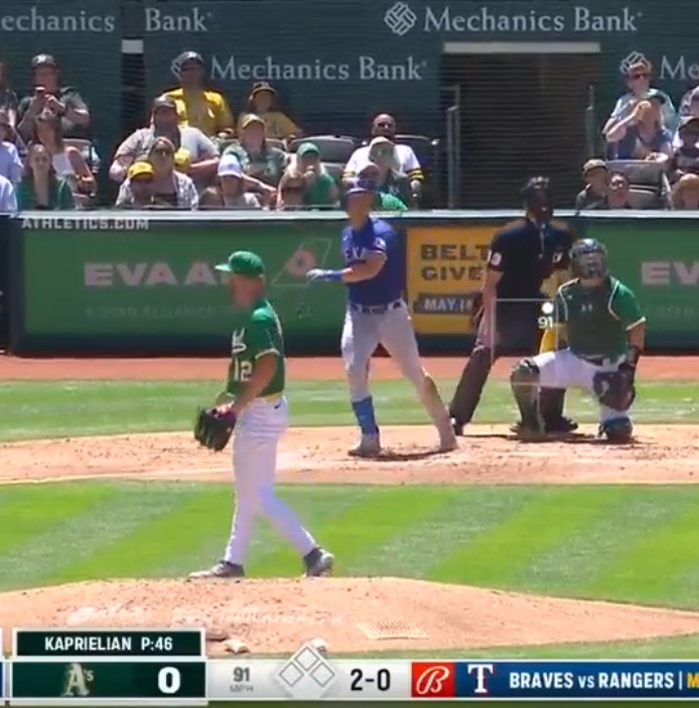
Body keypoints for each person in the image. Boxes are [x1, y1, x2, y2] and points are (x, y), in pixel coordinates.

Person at [186, 250, 336, 580]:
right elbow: (249, 367)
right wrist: (230, 398)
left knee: (257, 494)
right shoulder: (252, 315)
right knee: (251, 491)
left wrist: (238, 407)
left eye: (233, 277)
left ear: (248, 282)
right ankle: (234, 562)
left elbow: (268, 366)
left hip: (260, 413)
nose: (228, 283)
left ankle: (312, 553)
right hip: (260, 409)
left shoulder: (258, 318)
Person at [303, 178, 456, 457]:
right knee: (354, 368)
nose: (361, 200)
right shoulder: (348, 233)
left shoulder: (382, 233)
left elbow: (370, 269)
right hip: (359, 313)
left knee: (415, 374)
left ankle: (446, 431)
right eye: (355, 196)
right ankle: (369, 437)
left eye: (365, 196)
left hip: (391, 314)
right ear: (347, 202)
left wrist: (331, 275)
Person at [447, 177, 577, 437]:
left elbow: (565, 277)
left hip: (536, 303)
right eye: (537, 200)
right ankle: (457, 417)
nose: (542, 206)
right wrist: (490, 323)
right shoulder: (509, 235)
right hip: (505, 301)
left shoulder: (560, 235)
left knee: (556, 354)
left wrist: (564, 315)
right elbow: (491, 282)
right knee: (483, 353)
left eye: (546, 199)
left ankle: (550, 417)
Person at [509, 239, 645, 443]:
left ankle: (611, 419)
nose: (592, 266)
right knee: (523, 372)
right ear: (575, 264)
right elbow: (554, 331)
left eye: (596, 260)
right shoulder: (566, 293)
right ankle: (532, 424)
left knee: (619, 432)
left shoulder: (618, 292)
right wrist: (546, 360)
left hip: (607, 369)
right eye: (586, 261)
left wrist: (628, 367)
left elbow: (637, 328)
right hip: (574, 359)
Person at [163, 51, 233, 137]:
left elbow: (227, 129)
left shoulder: (216, 99)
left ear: (202, 72)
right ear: (179, 73)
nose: (192, 73)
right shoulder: (168, 98)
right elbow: (157, 127)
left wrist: (218, 139)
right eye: (187, 70)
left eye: (195, 69)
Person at [17, 143, 76, 210]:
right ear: (30, 163)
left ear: (50, 162)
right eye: (37, 159)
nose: (41, 163)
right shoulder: (21, 186)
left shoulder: (62, 186)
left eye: (44, 159)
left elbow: (70, 211)